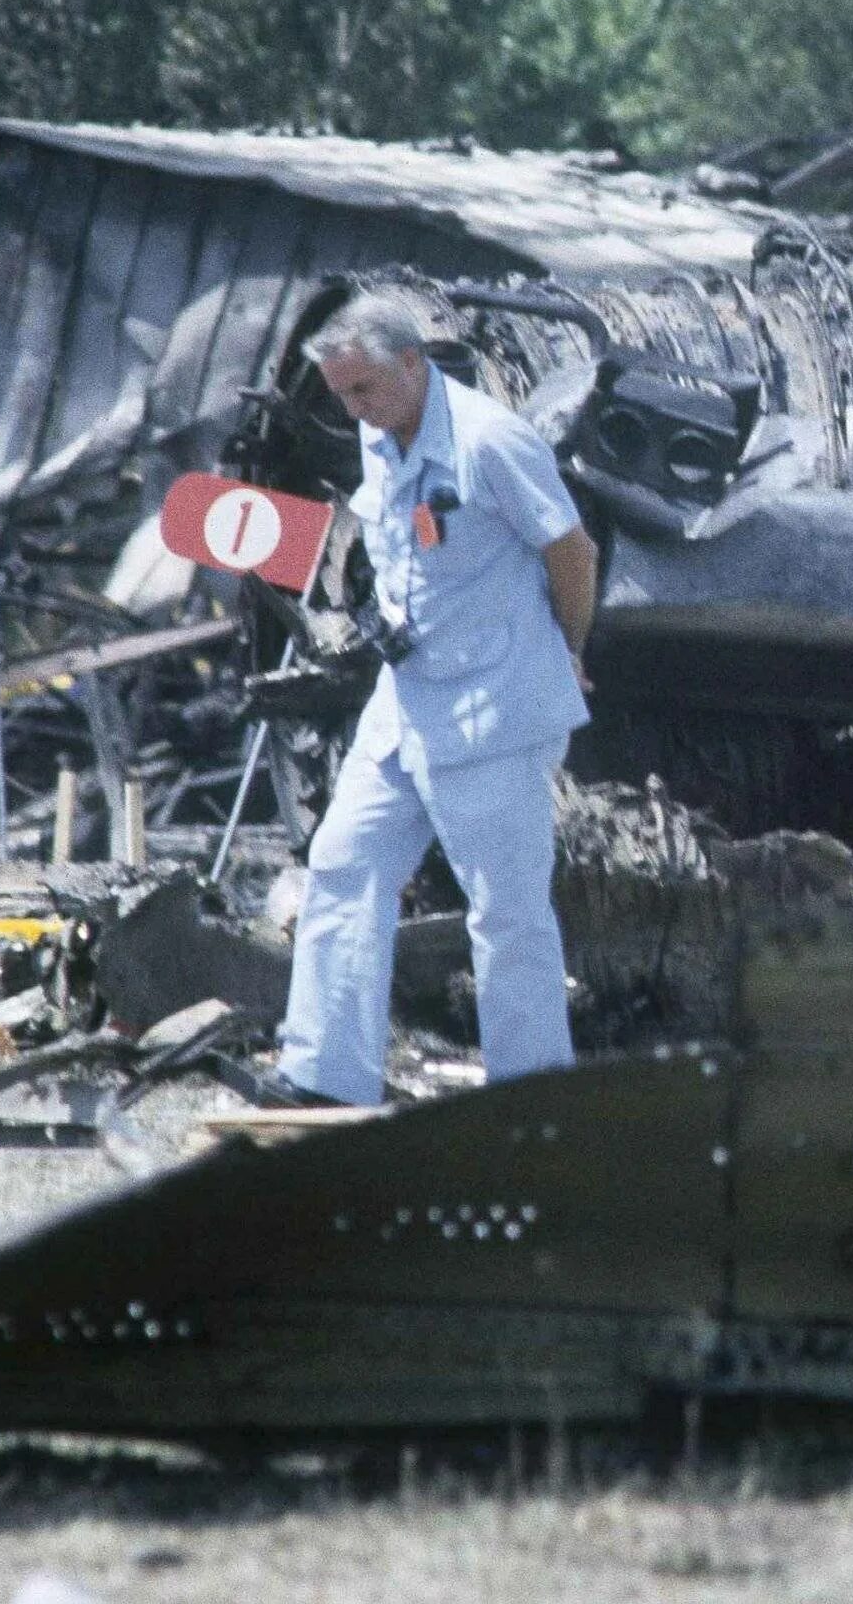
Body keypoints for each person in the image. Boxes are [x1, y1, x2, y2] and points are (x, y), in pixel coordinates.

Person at [273, 293, 600, 1106]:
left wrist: (571, 647)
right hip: (405, 700)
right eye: (343, 395)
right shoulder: (377, 431)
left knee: (506, 914)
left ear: (414, 363)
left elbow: (572, 549)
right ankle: (325, 1078)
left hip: (492, 705)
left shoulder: (492, 443)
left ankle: (530, 1099)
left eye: (368, 390)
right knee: (342, 866)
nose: (357, 410)